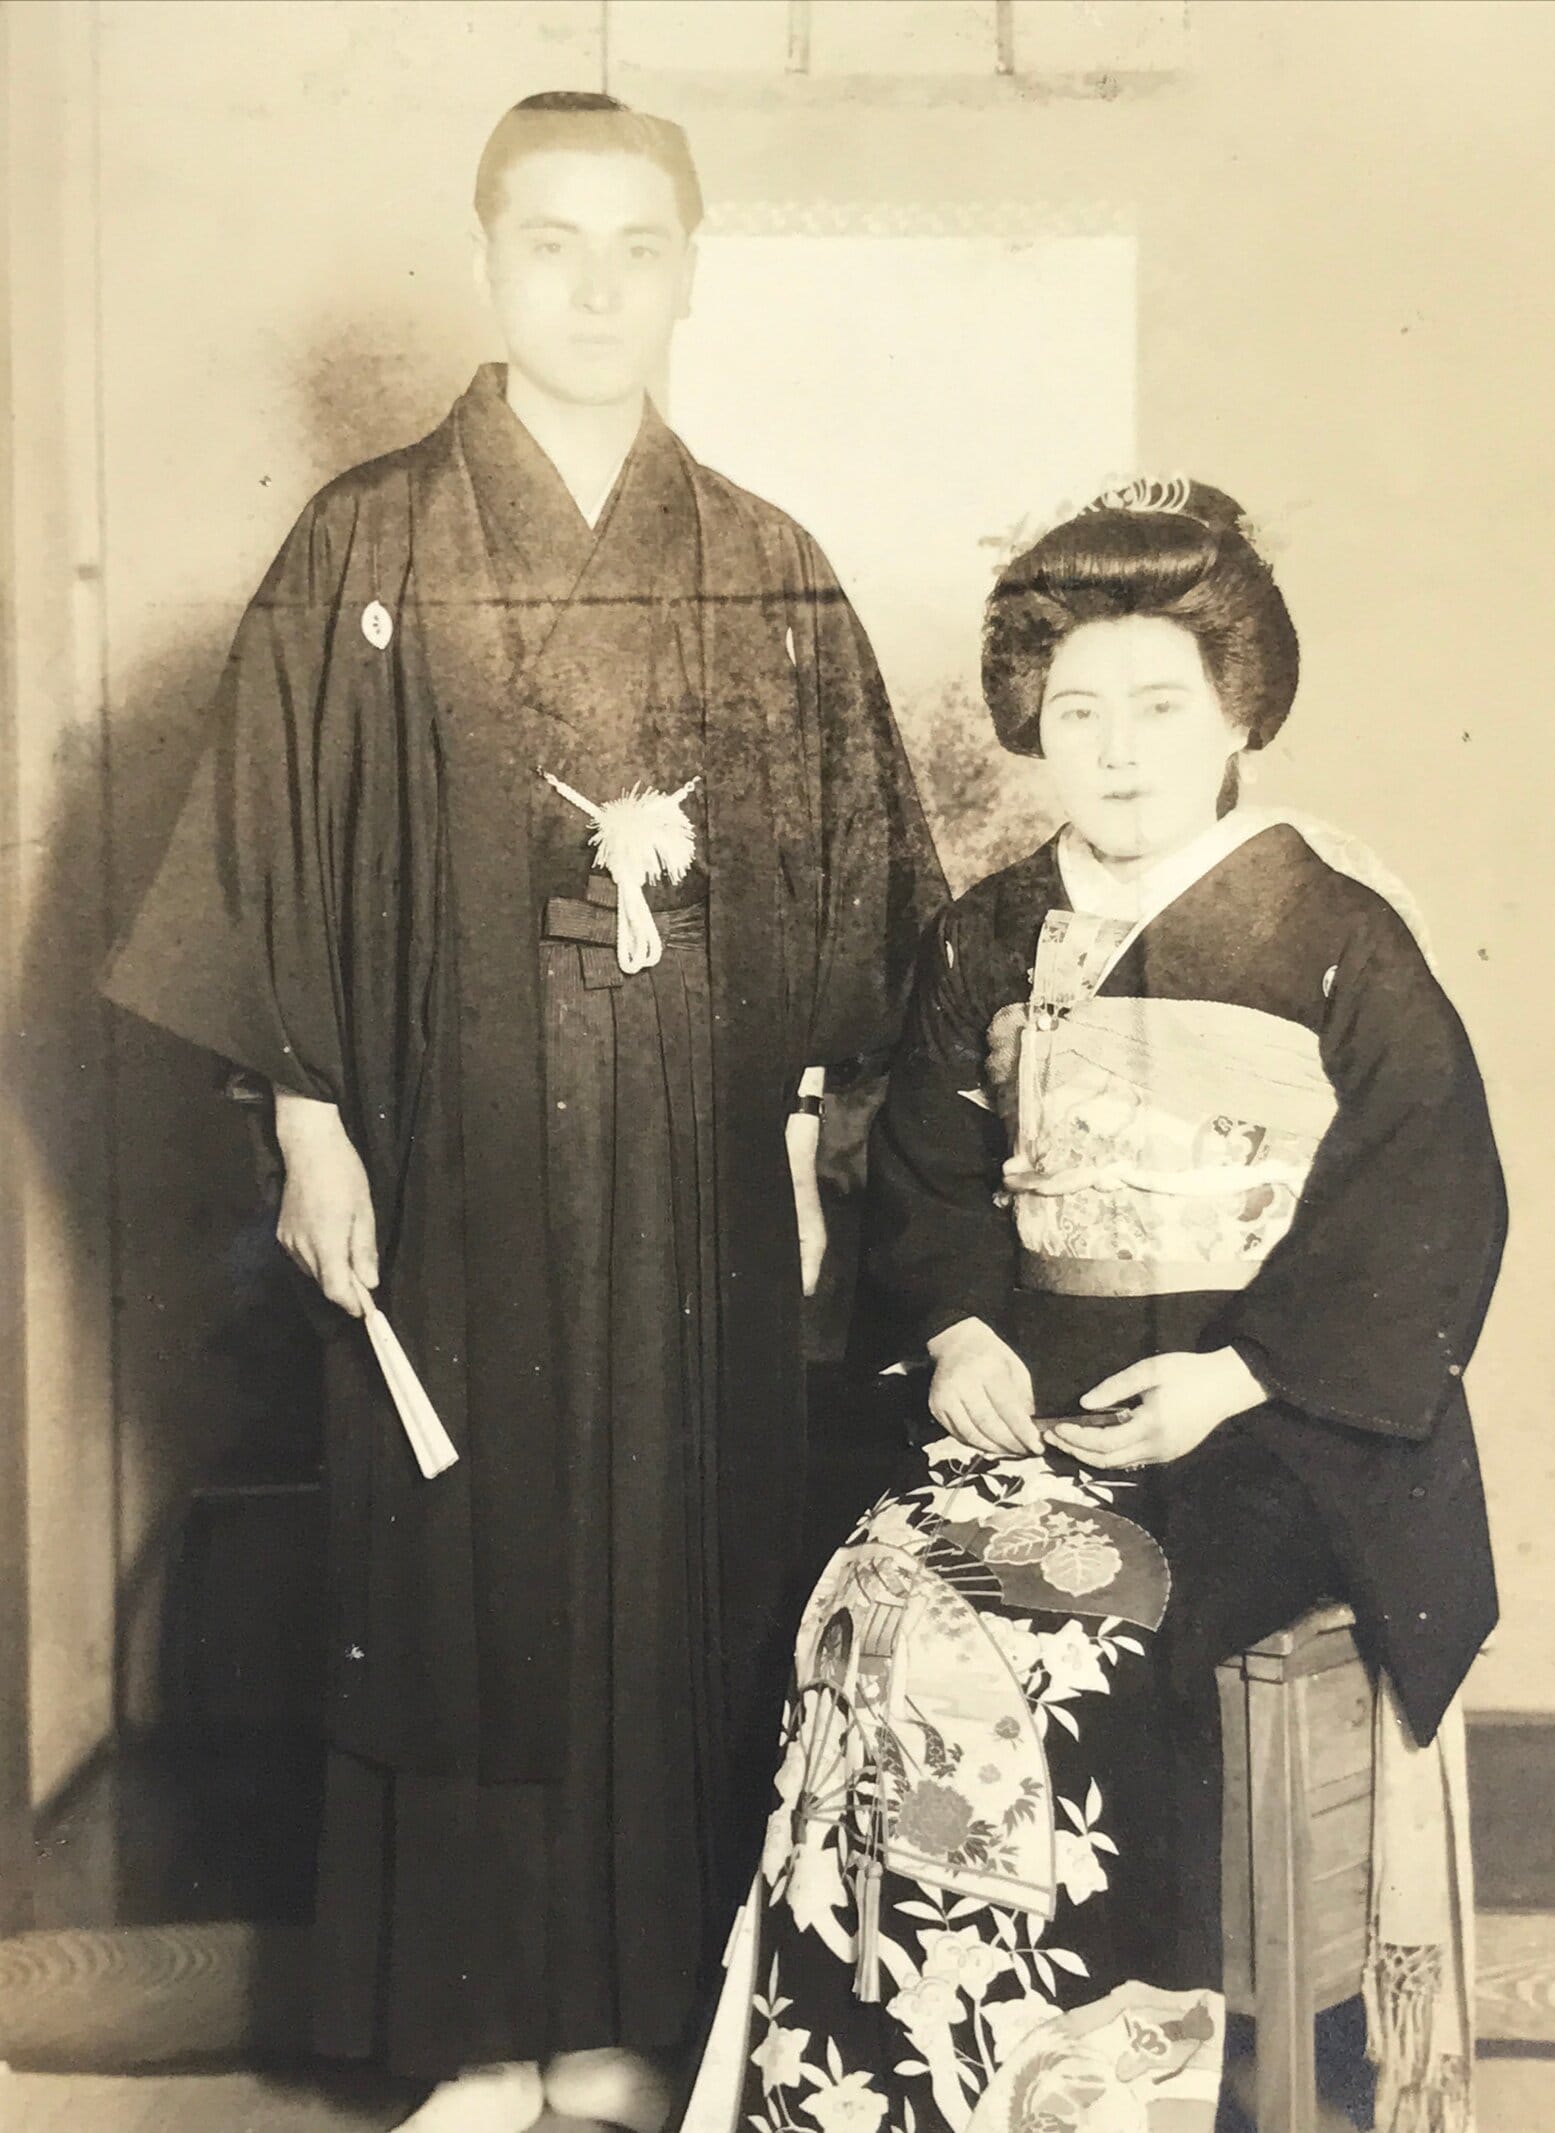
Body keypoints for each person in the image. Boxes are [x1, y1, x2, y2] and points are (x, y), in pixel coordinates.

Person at [105, 92, 942, 2133]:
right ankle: (482, 2031)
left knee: (682, 1576)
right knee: (455, 1573)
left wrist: (807, 1141)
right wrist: (304, 1126)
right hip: (445, 1161)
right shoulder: (364, 546)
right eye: (550, 240)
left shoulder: (762, 565)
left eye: (636, 243)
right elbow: (276, 862)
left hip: (690, 1194)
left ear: (685, 268)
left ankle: (641, 2015)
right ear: (485, 260)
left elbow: (846, 897)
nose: (592, 284)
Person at [684, 479, 1505, 2133]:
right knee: (873, 1597)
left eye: (1160, 708)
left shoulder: (1335, 925)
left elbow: (1432, 1192)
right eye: (1078, 713)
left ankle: (1092, 2101)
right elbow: (924, 1175)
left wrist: (1242, 1375)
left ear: (1237, 711)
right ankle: (874, 2097)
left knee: (1069, 1618)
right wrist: (963, 1332)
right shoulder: (991, 933)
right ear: (1030, 729)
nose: (1119, 751)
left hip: (1277, 1428)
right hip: (1037, 1387)